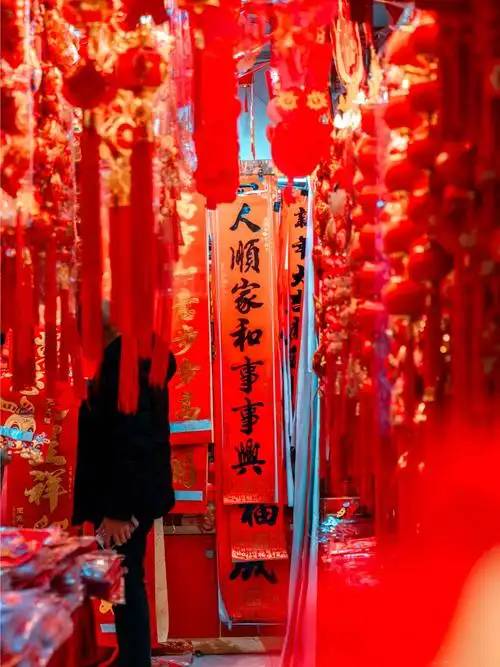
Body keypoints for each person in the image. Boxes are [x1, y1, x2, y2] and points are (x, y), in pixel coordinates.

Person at [73, 327, 176, 667]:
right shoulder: (134, 355)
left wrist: (118, 510)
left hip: (124, 500)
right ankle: (131, 658)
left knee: (126, 581)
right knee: (122, 580)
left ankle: (134, 660)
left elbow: (133, 438)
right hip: (127, 494)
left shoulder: (128, 360)